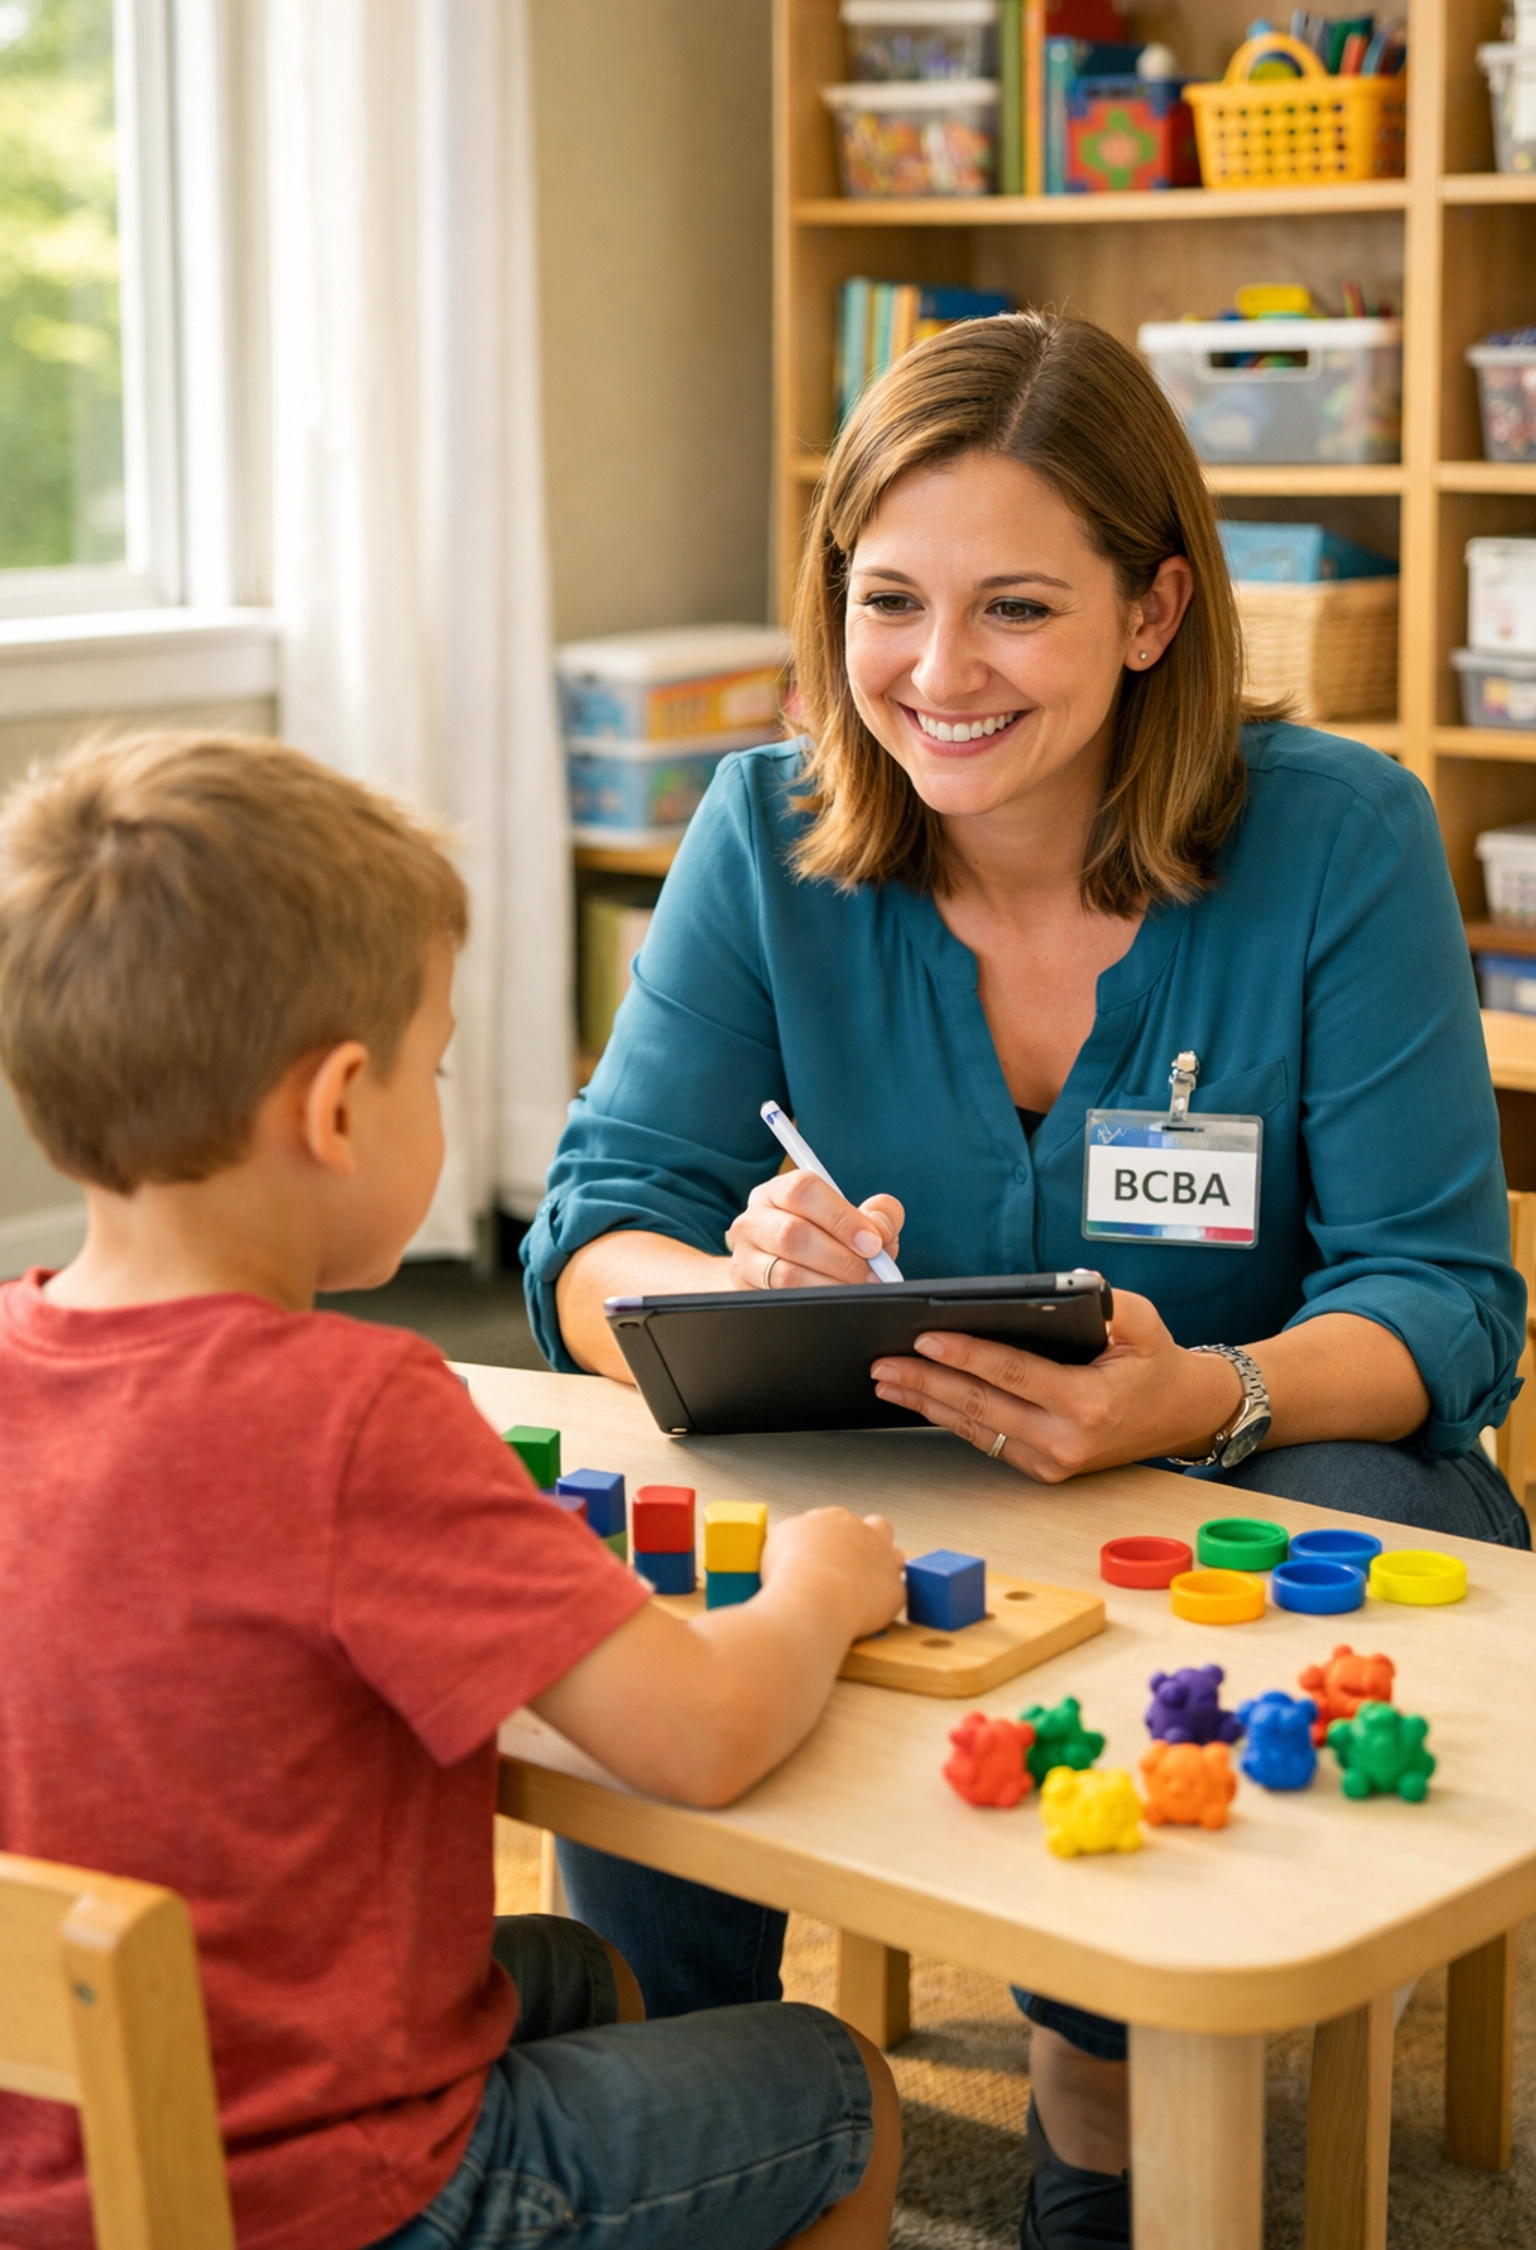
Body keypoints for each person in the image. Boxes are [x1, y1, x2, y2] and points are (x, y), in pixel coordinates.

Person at [521, 312, 1531, 2250]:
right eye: (890, 601)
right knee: (646, 1550)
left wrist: (1202, 1396)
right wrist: (724, 1281)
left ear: (1154, 611)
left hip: (1250, 1475)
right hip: (894, 1475)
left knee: (1321, 1512)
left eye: (1016, 610)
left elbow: (1446, 1300)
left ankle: (1107, 2082)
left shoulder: (1343, 838)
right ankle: (690, 2099)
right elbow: (592, 1229)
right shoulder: (764, 833)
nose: (937, 673)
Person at [0, 730, 907, 2250]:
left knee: (582, 1977)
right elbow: (700, 1735)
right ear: (338, 1108)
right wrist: (821, 1583)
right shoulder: (355, 1416)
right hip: (326, 2190)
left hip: (51, 2141)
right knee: (835, 2087)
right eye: (434, 1068)